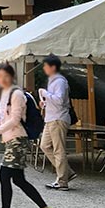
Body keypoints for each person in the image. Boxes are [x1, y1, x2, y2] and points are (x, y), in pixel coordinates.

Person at [0, 64, 56, 208]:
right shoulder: (6, 94)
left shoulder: (16, 94)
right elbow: (3, 118)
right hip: (12, 140)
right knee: (19, 180)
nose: (2, 79)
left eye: (5, 76)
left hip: (18, 140)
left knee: (4, 175)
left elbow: (15, 120)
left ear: (12, 77)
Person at [37, 54, 75, 190]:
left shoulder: (60, 81)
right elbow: (55, 101)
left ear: (53, 67)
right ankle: (66, 172)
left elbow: (59, 100)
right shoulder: (53, 81)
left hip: (58, 118)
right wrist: (45, 103)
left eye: (46, 66)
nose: (44, 68)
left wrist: (45, 94)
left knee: (58, 150)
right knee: (45, 145)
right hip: (51, 118)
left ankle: (63, 181)